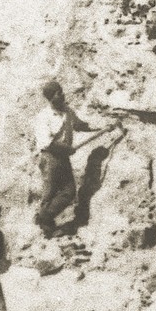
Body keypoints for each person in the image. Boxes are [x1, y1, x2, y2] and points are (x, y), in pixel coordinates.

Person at [33, 81, 100, 237]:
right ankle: (46, 225)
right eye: (58, 93)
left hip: (63, 158)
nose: (62, 95)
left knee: (69, 192)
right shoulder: (44, 117)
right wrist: (67, 149)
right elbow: (47, 143)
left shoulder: (67, 111)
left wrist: (102, 125)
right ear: (50, 97)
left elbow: (80, 125)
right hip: (50, 159)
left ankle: (44, 218)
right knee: (49, 194)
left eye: (62, 91)